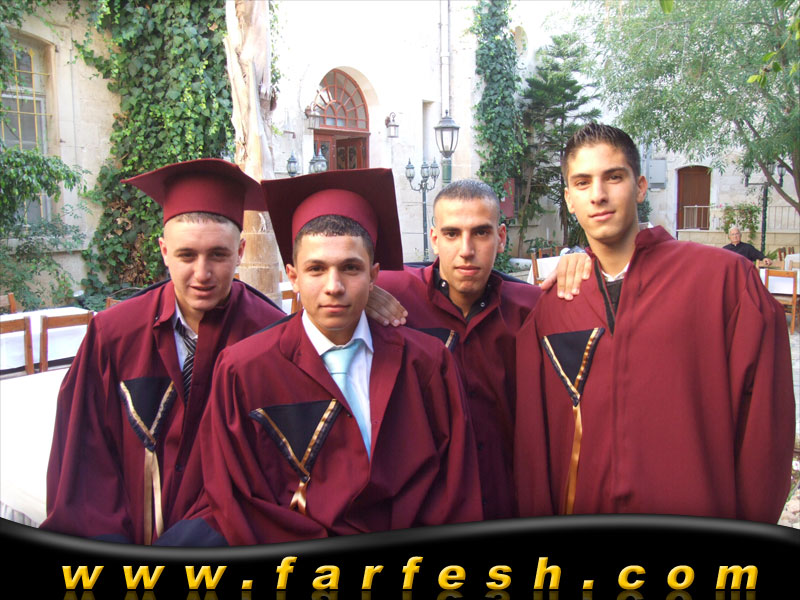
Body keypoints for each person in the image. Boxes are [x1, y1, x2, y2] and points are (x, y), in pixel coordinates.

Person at [159, 168, 483, 546]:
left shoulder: (427, 364)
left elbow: (453, 486)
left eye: (350, 268)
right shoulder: (243, 370)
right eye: (316, 269)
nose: (334, 286)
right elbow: (237, 496)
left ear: (374, 275)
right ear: (294, 276)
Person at [514, 123, 795, 522]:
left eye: (614, 177)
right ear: (570, 200)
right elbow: (534, 447)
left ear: (641, 187)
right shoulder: (555, 307)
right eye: (582, 182)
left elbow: (766, 427)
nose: (598, 194)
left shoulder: (723, 282)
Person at [40, 159, 286, 544]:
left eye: (218, 255)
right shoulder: (113, 335)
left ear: (240, 251)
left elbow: (274, 474)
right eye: (187, 255)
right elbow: (85, 462)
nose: (202, 274)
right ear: (164, 250)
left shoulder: (272, 338)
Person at [375, 179, 591, 520]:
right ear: (434, 239)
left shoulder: (532, 309)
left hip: (508, 502)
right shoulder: (394, 297)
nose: (466, 249)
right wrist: (360, 294)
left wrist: (583, 261)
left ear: (501, 237)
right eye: (451, 234)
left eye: (480, 232)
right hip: (423, 511)